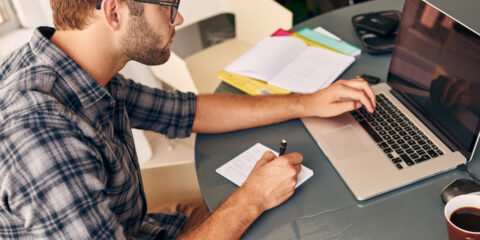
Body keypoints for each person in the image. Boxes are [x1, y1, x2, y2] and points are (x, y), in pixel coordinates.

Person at [0, 0, 376, 239]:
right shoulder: (40, 133)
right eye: (167, 4)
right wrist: (251, 199)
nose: (177, 16)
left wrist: (308, 102)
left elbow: (187, 111)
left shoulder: (73, 67)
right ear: (113, 12)